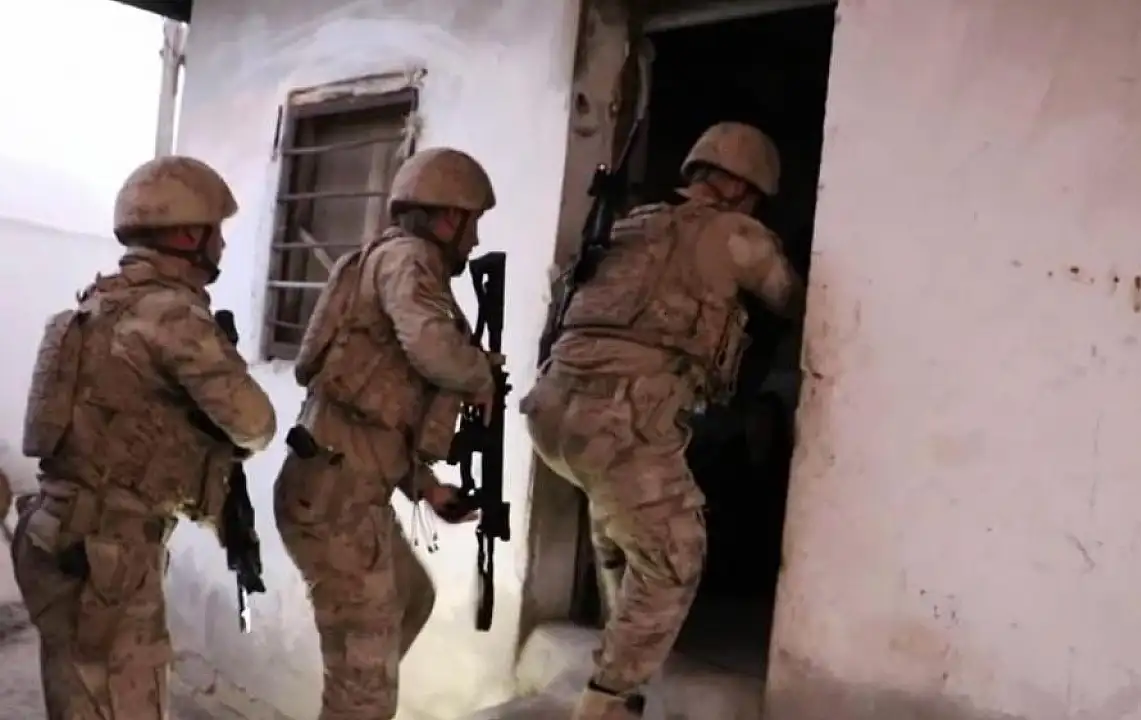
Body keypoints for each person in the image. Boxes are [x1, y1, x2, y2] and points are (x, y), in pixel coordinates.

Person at [521, 121, 807, 719]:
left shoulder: (630, 225)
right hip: (623, 420)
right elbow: (794, 301)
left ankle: (617, 644)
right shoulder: (738, 235)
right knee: (675, 556)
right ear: (742, 188)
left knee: (619, 526)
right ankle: (609, 702)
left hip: (553, 413)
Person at [10, 155, 277, 719]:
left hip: (55, 534)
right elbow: (256, 425)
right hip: (109, 556)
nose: (222, 245)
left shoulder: (97, 305)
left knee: (79, 699)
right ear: (186, 235)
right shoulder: (171, 316)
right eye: (215, 231)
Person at [274, 147, 502, 719]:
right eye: (471, 223)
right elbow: (433, 349)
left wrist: (425, 487)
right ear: (447, 219)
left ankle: (359, 696)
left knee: (411, 599)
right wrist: (481, 374)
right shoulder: (409, 260)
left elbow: (376, 415)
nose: (474, 240)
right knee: (366, 681)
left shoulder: (389, 261)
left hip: (343, 484)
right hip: (336, 498)